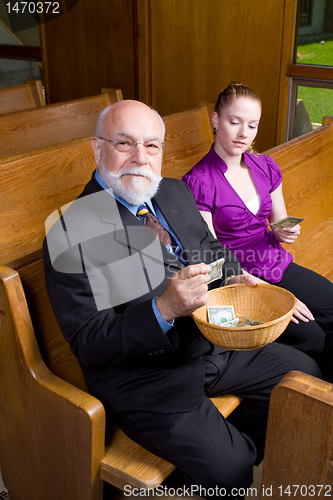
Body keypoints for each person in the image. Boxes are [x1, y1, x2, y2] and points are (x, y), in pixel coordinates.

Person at [43, 99, 321, 499]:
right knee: (230, 471)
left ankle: (228, 445)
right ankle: (219, 462)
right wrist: (164, 310)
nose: (141, 158)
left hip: (214, 339)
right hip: (148, 375)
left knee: (303, 375)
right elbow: (88, 341)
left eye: (152, 146)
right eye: (125, 143)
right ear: (97, 148)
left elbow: (211, 248)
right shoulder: (70, 232)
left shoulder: (172, 191)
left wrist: (236, 274)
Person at [182, 82, 333, 381]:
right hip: (242, 280)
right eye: (234, 122)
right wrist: (276, 297)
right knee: (313, 337)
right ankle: (307, 393)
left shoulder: (265, 166)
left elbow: (278, 222)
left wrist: (284, 232)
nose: (243, 133)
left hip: (275, 261)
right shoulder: (197, 181)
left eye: (252, 125)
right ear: (215, 120)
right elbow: (213, 256)